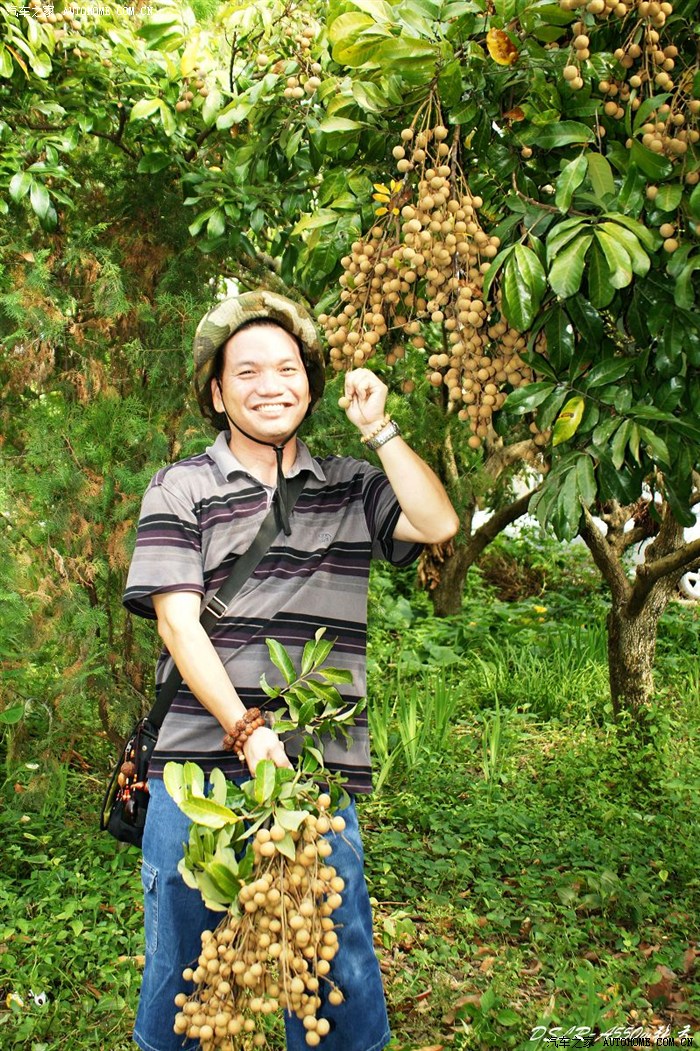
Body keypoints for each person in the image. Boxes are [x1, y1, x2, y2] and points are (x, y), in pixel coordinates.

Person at [123, 290, 459, 1051]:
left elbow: (438, 524)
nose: (270, 384)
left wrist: (380, 428)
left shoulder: (347, 483)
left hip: (315, 773)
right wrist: (245, 730)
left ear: (310, 383)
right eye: (247, 371)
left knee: (334, 971)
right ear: (217, 391)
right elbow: (179, 622)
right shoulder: (181, 487)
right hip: (197, 773)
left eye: (287, 367)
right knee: (187, 969)